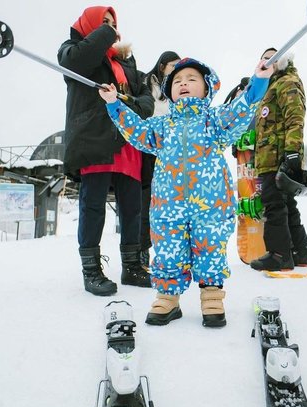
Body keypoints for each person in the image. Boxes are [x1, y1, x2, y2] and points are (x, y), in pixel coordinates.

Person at [99, 57, 275, 327]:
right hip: (168, 206)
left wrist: (259, 81)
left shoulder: (214, 121)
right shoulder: (162, 126)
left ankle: (211, 296)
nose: (183, 83)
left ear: (206, 89)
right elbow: (136, 130)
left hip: (210, 205)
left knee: (211, 247)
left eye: (192, 79)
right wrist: (114, 104)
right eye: (177, 81)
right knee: (168, 249)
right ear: (169, 91)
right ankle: (168, 298)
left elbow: (242, 109)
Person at [57, 6, 154, 296]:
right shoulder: (72, 51)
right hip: (95, 138)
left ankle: (132, 266)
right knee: (93, 204)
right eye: (103, 22)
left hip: (127, 139)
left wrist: (126, 103)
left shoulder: (127, 61)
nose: (111, 27)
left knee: (133, 208)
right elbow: (77, 62)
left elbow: (146, 100)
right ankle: (91, 270)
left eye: (113, 23)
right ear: (90, 25)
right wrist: (106, 33)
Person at [249, 48, 307, 272]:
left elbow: (295, 117)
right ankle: (299, 252)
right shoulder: (271, 86)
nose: (266, 61)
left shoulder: (287, 81)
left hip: (279, 155)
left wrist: (292, 152)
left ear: (282, 60)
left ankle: (279, 254)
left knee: (274, 203)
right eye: (263, 58)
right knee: (286, 204)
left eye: (271, 57)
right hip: (269, 155)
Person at [139, 51, 181, 267]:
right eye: (173, 65)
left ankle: (168, 253)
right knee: (146, 199)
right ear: (163, 65)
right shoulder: (147, 81)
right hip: (149, 143)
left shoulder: (176, 87)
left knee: (168, 201)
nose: (177, 69)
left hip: (169, 148)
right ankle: (142, 249)